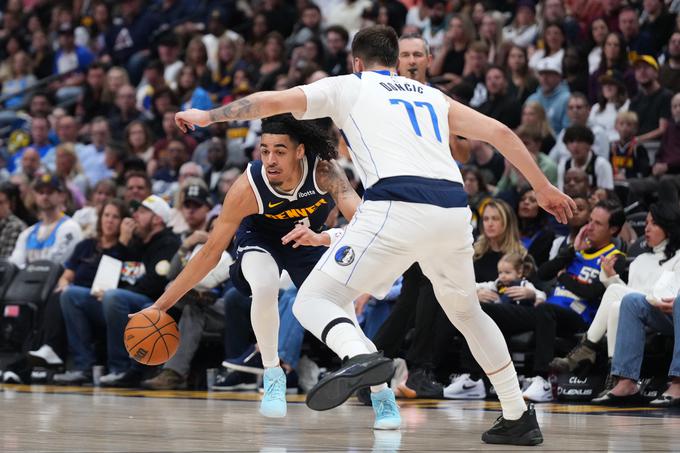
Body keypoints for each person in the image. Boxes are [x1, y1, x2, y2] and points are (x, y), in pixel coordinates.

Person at [164, 25, 574, 444]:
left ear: (356, 62)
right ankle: (517, 413)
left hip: (397, 205)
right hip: (453, 213)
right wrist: (542, 187)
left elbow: (273, 101)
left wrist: (209, 116)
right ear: (396, 61)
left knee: (313, 300)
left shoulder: (351, 86)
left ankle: (363, 358)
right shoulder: (431, 95)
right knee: (467, 312)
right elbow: (501, 133)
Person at [154, 114, 362, 417]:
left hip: (307, 240)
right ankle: (272, 373)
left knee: (344, 310)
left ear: (300, 151)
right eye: (264, 150)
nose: (270, 159)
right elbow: (210, 251)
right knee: (264, 286)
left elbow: (364, 223)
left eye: (280, 151)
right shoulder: (248, 186)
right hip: (260, 239)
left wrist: (323, 237)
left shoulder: (324, 172)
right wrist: (160, 306)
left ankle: (379, 390)